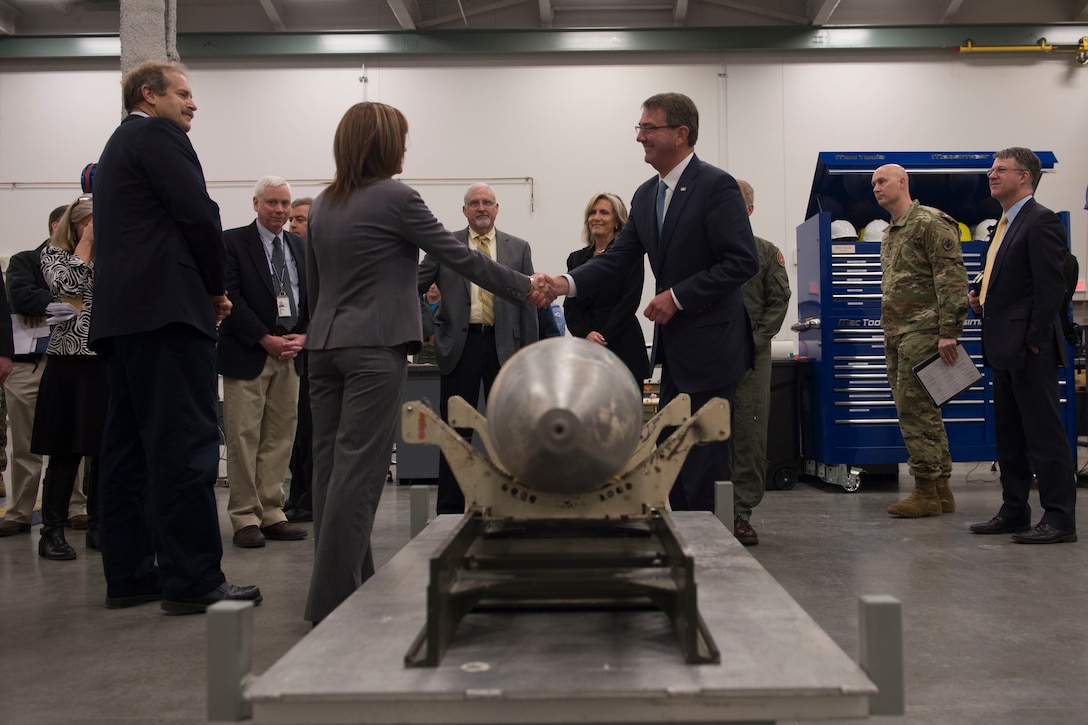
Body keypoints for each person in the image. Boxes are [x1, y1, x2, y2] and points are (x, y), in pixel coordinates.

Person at [304, 101, 549, 625]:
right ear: (385, 145)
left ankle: (352, 585)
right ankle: (329, 605)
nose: (406, 147)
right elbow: (460, 256)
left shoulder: (324, 202)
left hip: (323, 347)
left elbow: (314, 284)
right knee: (360, 476)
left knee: (328, 471)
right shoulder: (396, 197)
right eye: (402, 138)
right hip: (373, 350)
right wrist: (526, 286)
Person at [91, 61, 261, 612]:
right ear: (150, 94)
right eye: (183, 93)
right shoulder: (158, 134)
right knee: (185, 446)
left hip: (124, 320)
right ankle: (192, 580)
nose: (192, 104)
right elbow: (199, 216)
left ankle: (131, 574)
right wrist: (214, 290)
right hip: (169, 313)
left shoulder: (117, 147)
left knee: (126, 452)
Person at [550, 92, 758, 512]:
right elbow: (617, 260)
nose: (640, 137)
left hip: (711, 350)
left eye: (649, 128)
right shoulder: (647, 195)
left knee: (701, 458)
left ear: (680, 134)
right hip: (672, 352)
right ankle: (679, 542)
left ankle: (709, 555)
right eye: (639, 128)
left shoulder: (716, 186)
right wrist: (563, 283)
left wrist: (678, 297)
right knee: (670, 454)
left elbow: (742, 262)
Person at [968, 147, 1077, 544]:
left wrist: (1033, 342)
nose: (992, 176)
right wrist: (977, 293)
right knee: (1010, 434)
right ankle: (1014, 509)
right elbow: (1000, 278)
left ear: (1025, 177)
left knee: (1044, 434)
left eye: (1000, 170)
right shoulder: (1003, 224)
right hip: (1003, 346)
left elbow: (1052, 288)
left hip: (1030, 348)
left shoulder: (1041, 221)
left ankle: (1060, 518)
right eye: (992, 170)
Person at [417, 182, 539, 514]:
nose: (481, 207)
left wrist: (529, 353)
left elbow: (529, 304)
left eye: (487, 202)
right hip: (460, 346)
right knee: (456, 430)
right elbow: (412, 287)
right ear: (464, 210)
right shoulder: (445, 246)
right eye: (474, 203)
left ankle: (512, 501)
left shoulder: (518, 248)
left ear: (497, 208)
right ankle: (451, 508)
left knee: (510, 429)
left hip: (506, 348)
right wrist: (429, 332)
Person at [870, 164, 967, 518]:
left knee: (915, 411)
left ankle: (925, 490)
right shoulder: (892, 231)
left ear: (902, 182)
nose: (877, 188)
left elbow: (952, 278)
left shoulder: (929, 222)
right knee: (923, 411)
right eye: (873, 184)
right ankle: (941, 490)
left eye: (882, 181)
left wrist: (948, 332)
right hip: (898, 333)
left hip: (924, 332)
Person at [217, 177, 309, 548]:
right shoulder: (232, 242)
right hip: (249, 351)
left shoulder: (300, 248)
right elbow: (229, 296)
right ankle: (244, 517)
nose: (280, 211)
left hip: (290, 353)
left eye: (285, 204)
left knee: (280, 437)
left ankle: (272, 511)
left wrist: (304, 335)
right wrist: (263, 337)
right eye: (272, 203)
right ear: (256, 204)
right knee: (243, 437)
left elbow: (314, 296)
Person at [0, 206, 88, 538]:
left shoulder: (89, 262)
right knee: (25, 443)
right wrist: (54, 304)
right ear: (58, 225)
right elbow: (19, 294)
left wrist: (48, 307)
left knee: (73, 441)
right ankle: (21, 511)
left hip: (71, 364)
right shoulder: (26, 260)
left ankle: (76, 507)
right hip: (29, 366)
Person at [30, 195, 107, 560]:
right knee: (65, 453)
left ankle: (99, 525)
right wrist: (87, 244)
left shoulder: (115, 255)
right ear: (76, 224)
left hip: (106, 361)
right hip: (68, 365)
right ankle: (52, 532)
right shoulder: (55, 254)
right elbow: (68, 287)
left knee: (105, 453)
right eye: (91, 222)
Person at [729, 179, 791, 545]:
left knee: (749, 433)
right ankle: (707, 507)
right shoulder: (704, 251)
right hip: (711, 356)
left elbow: (778, 302)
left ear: (749, 209)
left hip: (752, 356)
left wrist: (752, 341)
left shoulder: (765, 253)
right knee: (710, 433)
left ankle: (740, 512)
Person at [564, 192, 649, 382]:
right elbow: (570, 305)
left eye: (604, 213)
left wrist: (601, 337)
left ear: (617, 221)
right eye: (592, 212)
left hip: (622, 343)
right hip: (587, 347)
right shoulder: (575, 259)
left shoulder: (630, 256)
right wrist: (586, 334)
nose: (597, 217)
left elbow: (630, 301)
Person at [285, 195, 314, 524]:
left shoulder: (319, 258)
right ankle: (297, 496)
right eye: (292, 219)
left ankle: (309, 499)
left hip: (315, 355)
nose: (293, 224)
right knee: (292, 437)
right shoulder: (288, 259)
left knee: (310, 435)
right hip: (289, 353)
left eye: (300, 219)